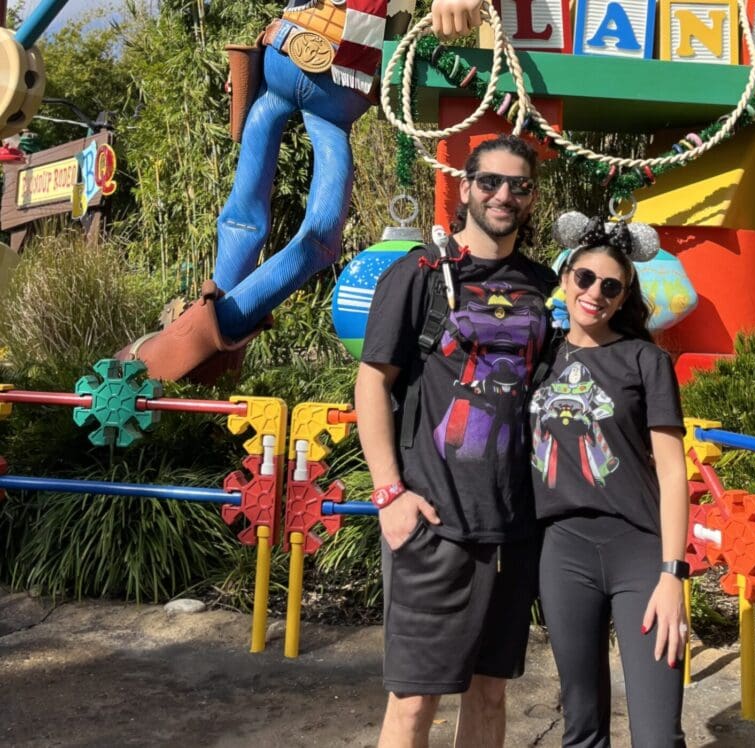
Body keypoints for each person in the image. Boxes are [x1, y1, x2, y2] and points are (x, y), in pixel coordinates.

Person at [117, 0, 490, 383]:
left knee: (317, 232)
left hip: (329, 85)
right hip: (298, 64)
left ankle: (205, 339)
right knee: (255, 218)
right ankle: (210, 361)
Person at [355, 134, 557, 748]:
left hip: (514, 527)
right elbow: (370, 383)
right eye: (490, 182)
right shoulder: (419, 274)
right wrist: (390, 495)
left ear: (531, 198)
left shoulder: (546, 286)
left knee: (490, 694)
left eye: (518, 185)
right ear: (465, 189)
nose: (504, 195)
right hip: (435, 519)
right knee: (414, 702)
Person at [529, 218, 691, 747]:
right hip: (563, 550)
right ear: (566, 279)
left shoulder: (646, 361)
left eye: (610, 286)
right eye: (584, 278)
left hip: (639, 551)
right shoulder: (539, 357)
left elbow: (671, 471)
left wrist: (673, 575)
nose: (594, 293)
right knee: (581, 725)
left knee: (656, 735)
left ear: (623, 299)